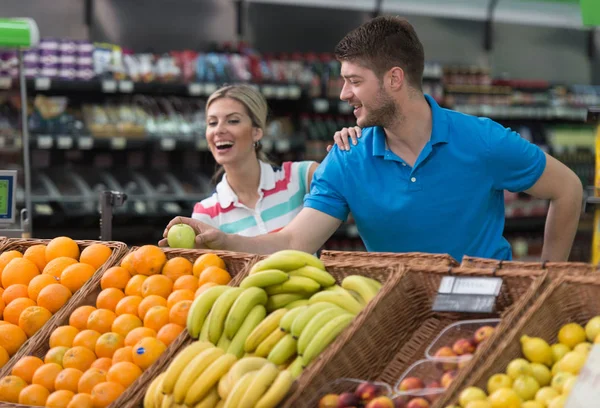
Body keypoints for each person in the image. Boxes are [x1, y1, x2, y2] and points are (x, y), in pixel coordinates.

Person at [161, 16, 583, 262]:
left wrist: (544, 276)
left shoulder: (482, 140)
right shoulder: (348, 158)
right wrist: (222, 240)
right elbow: (294, 241)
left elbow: (567, 189)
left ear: (394, 79)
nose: (344, 94)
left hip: (490, 310)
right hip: (395, 316)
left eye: (354, 81)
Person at [187, 84, 319, 236]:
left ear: (256, 132)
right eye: (212, 123)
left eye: (233, 121)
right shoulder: (206, 215)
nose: (219, 130)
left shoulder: (301, 177)